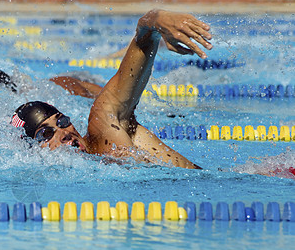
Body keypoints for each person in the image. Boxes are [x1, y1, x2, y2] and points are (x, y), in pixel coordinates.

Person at [11, 10, 212, 169]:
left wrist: (156, 18)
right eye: (46, 134)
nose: (63, 133)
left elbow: (143, 37)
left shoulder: (105, 129)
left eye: (62, 121)